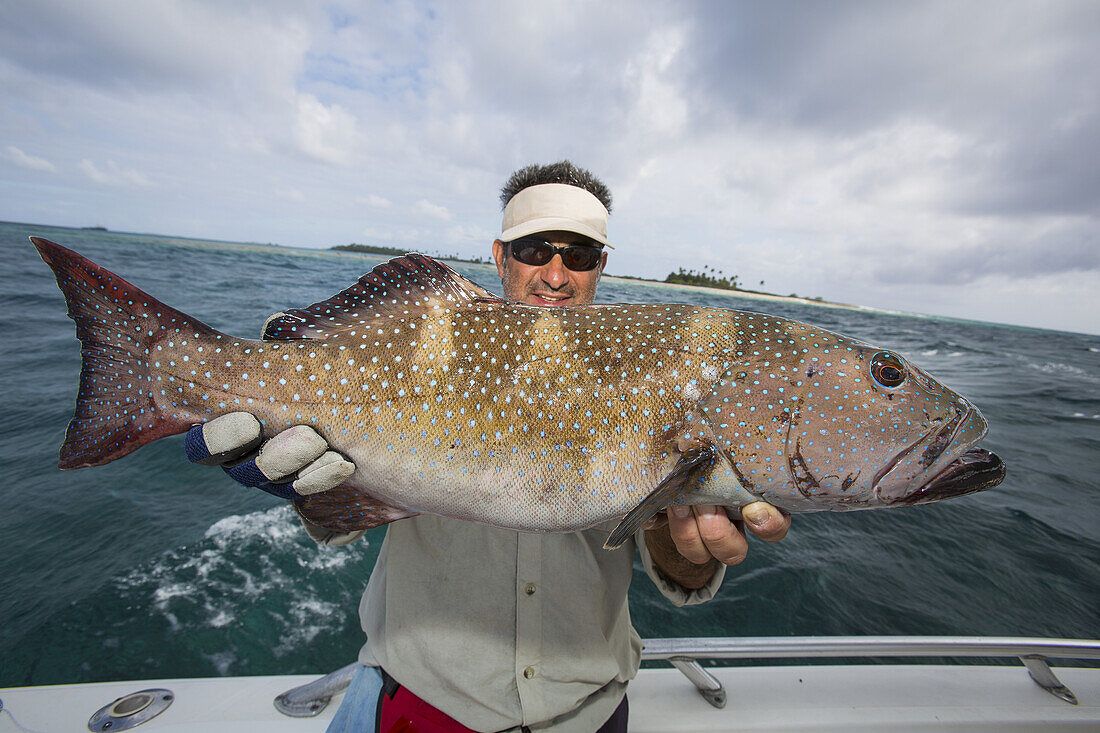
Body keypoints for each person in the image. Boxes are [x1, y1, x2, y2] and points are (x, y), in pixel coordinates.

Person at [185, 161, 790, 732]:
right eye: (535, 250)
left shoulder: (649, 378)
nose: (556, 274)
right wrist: (287, 476)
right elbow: (337, 517)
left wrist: (685, 523)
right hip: (416, 701)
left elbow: (680, 567)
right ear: (500, 257)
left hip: (587, 712)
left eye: (577, 255)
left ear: (599, 266)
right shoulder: (418, 348)